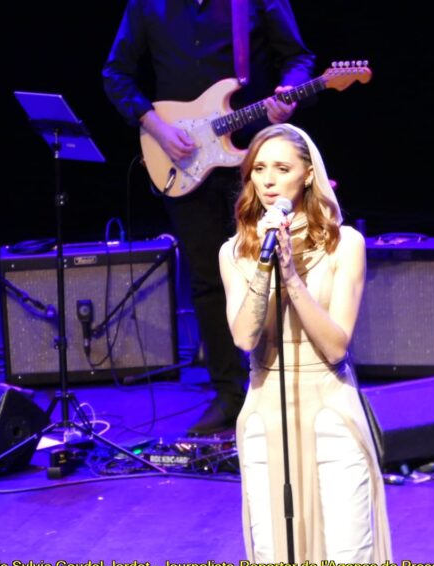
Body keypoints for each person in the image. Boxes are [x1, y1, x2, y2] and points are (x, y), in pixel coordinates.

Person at [102, 0, 316, 435]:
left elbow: (299, 58)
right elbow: (115, 73)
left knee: (275, 268)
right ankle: (230, 393)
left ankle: (282, 383)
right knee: (206, 280)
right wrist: (157, 127)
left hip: (254, 159)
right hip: (181, 161)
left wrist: (288, 94)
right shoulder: (148, 4)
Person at [220, 124, 392, 566]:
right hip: (265, 412)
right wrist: (264, 267)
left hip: (330, 409)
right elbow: (244, 338)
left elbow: (336, 347)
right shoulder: (234, 253)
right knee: (275, 554)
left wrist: (291, 277)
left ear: (308, 174)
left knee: (347, 554)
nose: (268, 180)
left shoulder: (344, 244)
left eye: (282, 168)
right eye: (259, 169)